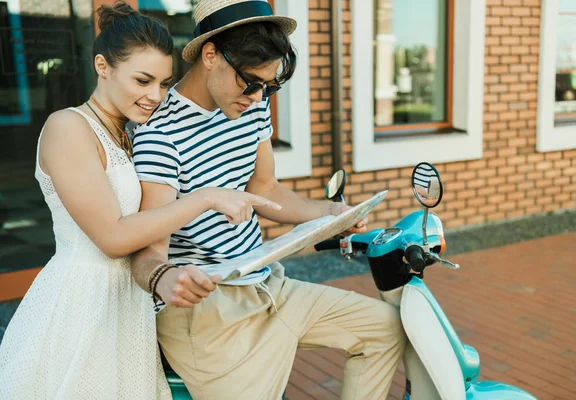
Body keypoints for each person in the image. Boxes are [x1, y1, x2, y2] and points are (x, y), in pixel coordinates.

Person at [130, 1, 407, 399]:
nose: (259, 96)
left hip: (268, 284)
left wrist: (332, 213)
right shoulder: (161, 135)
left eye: (269, 86)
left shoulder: (251, 108)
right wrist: (165, 278)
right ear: (211, 56)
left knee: (385, 327)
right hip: (208, 312)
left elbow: (265, 190)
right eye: (251, 82)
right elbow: (150, 249)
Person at [0, 2, 278, 399]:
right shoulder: (68, 127)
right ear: (103, 67)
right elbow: (112, 237)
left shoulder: (130, 133)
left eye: (164, 84)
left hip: (131, 304)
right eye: (143, 80)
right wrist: (205, 197)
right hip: (82, 304)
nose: (155, 96)